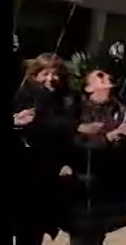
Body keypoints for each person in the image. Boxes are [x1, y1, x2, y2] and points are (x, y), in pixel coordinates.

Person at [63, 69, 126, 245]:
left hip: (109, 185)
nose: (106, 76)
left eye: (107, 75)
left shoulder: (121, 110)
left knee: (98, 236)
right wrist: (106, 138)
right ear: (88, 88)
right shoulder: (75, 110)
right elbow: (71, 143)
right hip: (83, 187)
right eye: (99, 76)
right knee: (81, 238)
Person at [12, 54, 77, 245]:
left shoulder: (65, 98)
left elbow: (68, 128)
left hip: (48, 172)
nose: (51, 78)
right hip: (22, 169)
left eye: (55, 74)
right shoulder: (23, 95)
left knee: (34, 229)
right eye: (45, 73)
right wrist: (17, 122)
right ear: (35, 74)